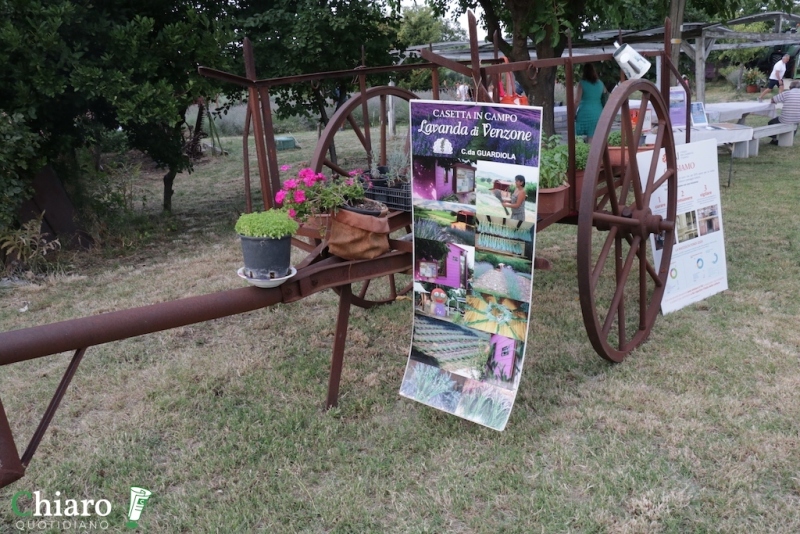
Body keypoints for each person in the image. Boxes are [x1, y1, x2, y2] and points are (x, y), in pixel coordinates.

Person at [575, 63, 608, 142]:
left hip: (584, 113)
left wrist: (572, 113)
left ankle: (581, 153)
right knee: (593, 138)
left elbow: (577, 101)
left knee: (579, 139)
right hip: (598, 112)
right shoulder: (600, 83)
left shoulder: (582, 83)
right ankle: (594, 154)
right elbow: (605, 95)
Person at [766, 80, 800, 144]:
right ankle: (790, 139)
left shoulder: (787, 93)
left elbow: (773, 100)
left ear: (790, 87)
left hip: (786, 119)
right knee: (795, 122)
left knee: (771, 122)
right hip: (797, 119)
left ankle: (774, 139)